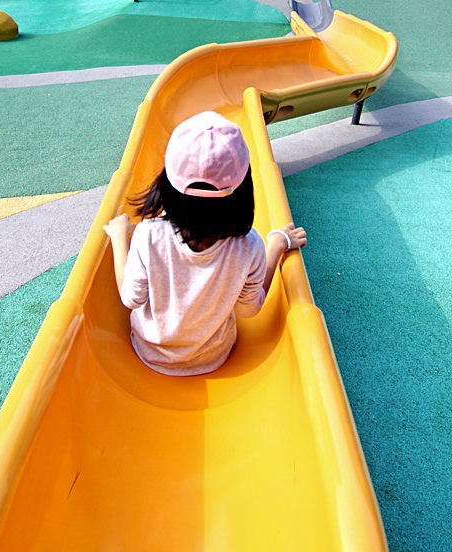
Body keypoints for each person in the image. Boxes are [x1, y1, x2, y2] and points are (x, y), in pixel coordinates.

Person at [107, 111, 306, 377]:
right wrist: (277, 244)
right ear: (243, 190)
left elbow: (130, 299)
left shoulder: (148, 235)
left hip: (150, 354)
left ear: (167, 184)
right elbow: (251, 308)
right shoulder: (249, 246)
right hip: (214, 356)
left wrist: (120, 237)